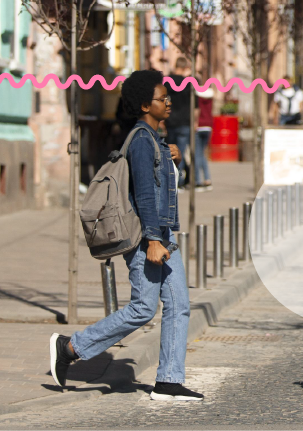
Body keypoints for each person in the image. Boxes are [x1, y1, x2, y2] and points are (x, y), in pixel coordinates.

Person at [49, 70, 203, 401]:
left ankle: (169, 380)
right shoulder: (142, 142)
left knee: (179, 304)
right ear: (146, 105)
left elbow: (163, 184)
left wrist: (171, 155)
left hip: (161, 233)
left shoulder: (154, 140)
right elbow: (145, 195)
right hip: (145, 238)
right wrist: (152, 240)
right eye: (164, 99)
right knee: (143, 308)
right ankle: (71, 346)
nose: (169, 102)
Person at [165, 58, 194, 187]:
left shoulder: (167, 82)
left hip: (170, 122)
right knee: (180, 152)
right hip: (185, 122)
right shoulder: (188, 83)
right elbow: (195, 105)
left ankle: (173, 181)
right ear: (185, 67)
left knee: (170, 153)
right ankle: (180, 181)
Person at [194, 86, 214, 190]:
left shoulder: (197, 96)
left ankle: (198, 181)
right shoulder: (210, 95)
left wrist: (195, 122)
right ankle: (207, 178)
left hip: (199, 126)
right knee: (202, 153)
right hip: (208, 126)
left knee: (197, 154)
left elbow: (196, 110)